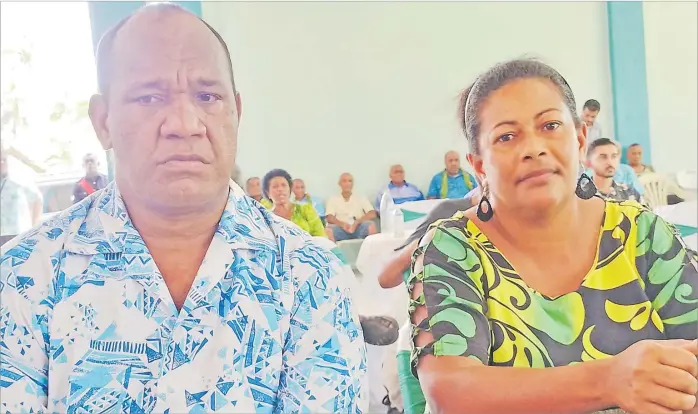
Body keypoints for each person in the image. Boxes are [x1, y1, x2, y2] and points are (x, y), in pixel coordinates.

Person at [0, 4, 367, 413]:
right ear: (103, 121)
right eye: (149, 96)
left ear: (237, 112)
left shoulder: (308, 276)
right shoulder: (23, 279)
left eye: (207, 96)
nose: (185, 123)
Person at [408, 59, 698, 414]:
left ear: (579, 139)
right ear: (479, 165)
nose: (534, 148)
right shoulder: (453, 248)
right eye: (507, 136)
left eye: (550, 125)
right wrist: (608, 380)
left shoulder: (640, 233)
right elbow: (450, 391)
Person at [263, 169, 329, 238]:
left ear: (290, 189)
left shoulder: (306, 209)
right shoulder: (266, 217)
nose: (280, 189)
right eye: (275, 186)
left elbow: (321, 236)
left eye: (284, 185)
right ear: (268, 193)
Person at [587, 138, 644, 203]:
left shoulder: (630, 193)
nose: (610, 162)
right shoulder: (581, 194)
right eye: (603, 157)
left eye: (614, 156)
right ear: (589, 163)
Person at [0, 151, 43, 237]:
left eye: (4, 160)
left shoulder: (18, 182)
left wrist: (34, 228)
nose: (2, 163)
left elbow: (37, 199)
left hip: (17, 233)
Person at [326, 173, 377, 241]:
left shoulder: (361, 197)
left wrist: (357, 222)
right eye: (344, 181)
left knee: (371, 225)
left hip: (358, 228)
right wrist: (342, 224)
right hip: (341, 229)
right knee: (328, 230)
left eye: (350, 181)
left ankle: (372, 251)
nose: (347, 184)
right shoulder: (333, 199)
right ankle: (333, 251)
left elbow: (372, 213)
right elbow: (329, 217)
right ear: (339, 183)